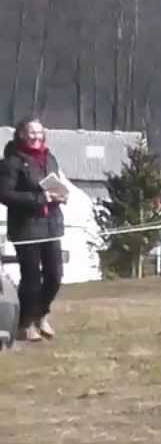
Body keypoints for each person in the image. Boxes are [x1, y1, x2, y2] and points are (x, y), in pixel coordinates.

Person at [0, 118, 67, 343]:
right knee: (31, 279)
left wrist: (61, 195)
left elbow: (55, 183)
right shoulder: (10, 162)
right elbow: (5, 195)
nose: (36, 136)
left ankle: (41, 314)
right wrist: (41, 198)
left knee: (55, 276)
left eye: (39, 132)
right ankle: (25, 323)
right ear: (21, 134)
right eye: (31, 132)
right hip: (26, 228)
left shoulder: (50, 158)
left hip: (51, 225)